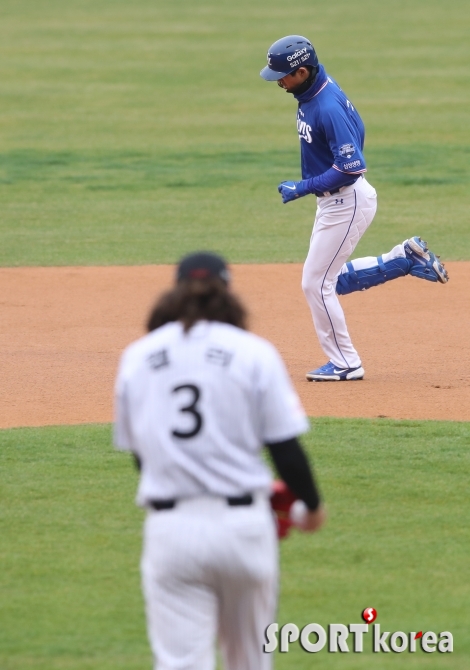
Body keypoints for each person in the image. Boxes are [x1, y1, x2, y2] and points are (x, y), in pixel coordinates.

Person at [114, 251, 326, 670]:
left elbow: (143, 457)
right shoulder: (252, 352)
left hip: (170, 530)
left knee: (180, 664)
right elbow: (285, 449)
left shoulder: (138, 357)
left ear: (174, 293)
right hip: (244, 528)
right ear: (227, 291)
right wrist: (312, 506)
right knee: (249, 662)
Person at [260, 35, 449, 382]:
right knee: (329, 280)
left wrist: (302, 187)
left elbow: (351, 166)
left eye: (283, 76)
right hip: (340, 200)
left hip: (345, 200)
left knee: (316, 284)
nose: (279, 83)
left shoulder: (326, 105)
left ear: (302, 71)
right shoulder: (313, 89)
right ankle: (405, 258)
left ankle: (346, 363)